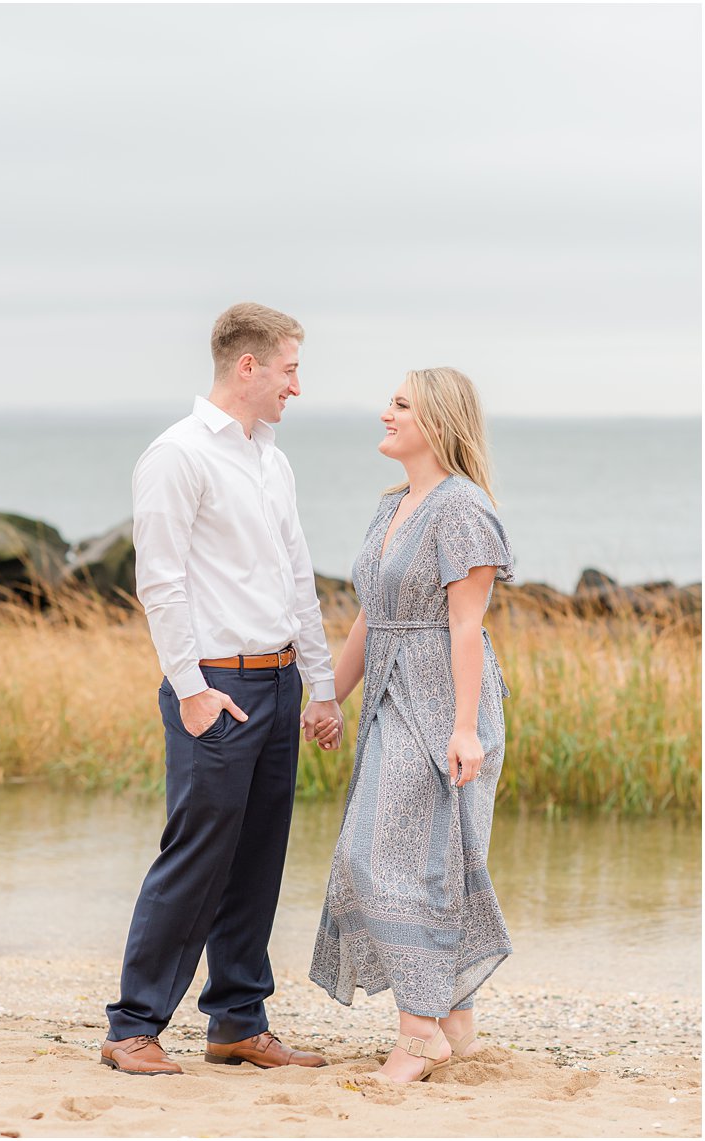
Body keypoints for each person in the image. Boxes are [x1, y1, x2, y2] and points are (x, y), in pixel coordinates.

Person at [101, 303, 344, 1076]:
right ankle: (132, 1024)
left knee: (258, 858)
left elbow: (297, 580)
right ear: (250, 366)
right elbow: (160, 584)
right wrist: (193, 688)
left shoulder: (273, 459)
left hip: (277, 685)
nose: (296, 387)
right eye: (290, 368)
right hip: (219, 689)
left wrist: (323, 685)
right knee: (197, 856)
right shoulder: (176, 456)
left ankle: (237, 1020)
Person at [309, 367, 514, 1082]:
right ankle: (455, 1022)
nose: (385, 413)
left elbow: (465, 627)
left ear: (437, 422)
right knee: (432, 854)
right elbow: (372, 615)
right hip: (391, 694)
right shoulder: (392, 504)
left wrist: (464, 729)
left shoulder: (461, 508)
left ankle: (419, 1031)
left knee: (385, 857)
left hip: (443, 700)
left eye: (401, 404)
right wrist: (328, 695)